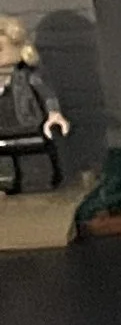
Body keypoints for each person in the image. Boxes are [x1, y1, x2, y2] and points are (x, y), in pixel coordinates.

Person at [0, 16, 69, 193]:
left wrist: (54, 113)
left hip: (26, 124)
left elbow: (46, 92)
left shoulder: (26, 75)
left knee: (35, 166)